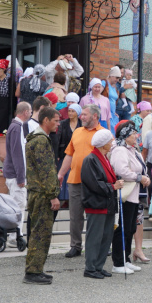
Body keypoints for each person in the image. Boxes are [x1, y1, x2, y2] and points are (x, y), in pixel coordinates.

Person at [57, 104, 104, 258]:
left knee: (94, 216)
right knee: (75, 216)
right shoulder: (77, 132)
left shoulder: (103, 133)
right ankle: (75, 246)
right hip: (75, 179)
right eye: (81, 114)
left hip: (95, 183)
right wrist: (61, 174)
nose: (81, 117)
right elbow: (69, 155)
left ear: (95, 116)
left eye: (84, 114)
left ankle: (96, 245)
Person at [23, 107, 61, 284]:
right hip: (42, 194)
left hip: (38, 192)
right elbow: (46, 171)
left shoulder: (37, 139)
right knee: (40, 233)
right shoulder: (40, 141)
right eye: (55, 120)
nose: (58, 124)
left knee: (39, 231)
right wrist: (53, 195)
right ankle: (33, 272)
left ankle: (36, 269)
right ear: (45, 120)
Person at [81, 129, 124, 279]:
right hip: (96, 204)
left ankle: (98, 266)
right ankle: (90, 268)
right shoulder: (90, 159)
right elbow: (94, 183)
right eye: (110, 141)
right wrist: (113, 186)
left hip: (107, 204)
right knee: (95, 237)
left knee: (106, 237)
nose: (112, 143)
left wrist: (115, 183)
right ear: (104, 144)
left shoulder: (104, 158)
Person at [110, 121, 150, 274]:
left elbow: (142, 168)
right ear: (125, 135)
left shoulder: (134, 150)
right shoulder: (120, 150)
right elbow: (121, 170)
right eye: (133, 133)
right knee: (122, 229)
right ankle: (118, 262)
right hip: (125, 195)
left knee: (130, 228)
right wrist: (139, 177)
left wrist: (145, 177)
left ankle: (126, 259)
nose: (136, 135)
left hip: (134, 195)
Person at [3, 101, 32, 245]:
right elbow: (17, 154)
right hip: (16, 175)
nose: (31, 114)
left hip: (14, 174)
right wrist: (21, 176)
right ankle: (15, 236)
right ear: (25, 112)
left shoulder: (15, 127)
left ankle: (15, 235)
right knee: (18, 205)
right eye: (30, 111)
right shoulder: (17, 128)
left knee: (17, 205)